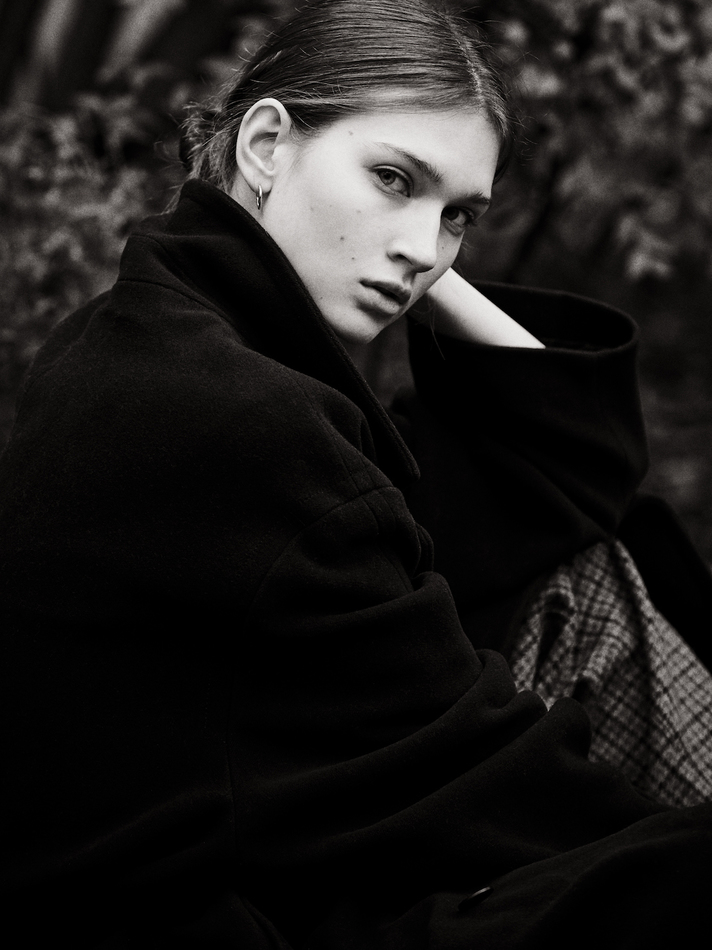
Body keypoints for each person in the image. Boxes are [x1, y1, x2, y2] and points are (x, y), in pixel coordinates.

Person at [1, 0, 711, 946]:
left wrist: (385, 234)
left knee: (584, 574)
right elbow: (488, 781)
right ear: (265, 144)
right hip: (237, 918)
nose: (424, 250)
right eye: (392, 178)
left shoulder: (134, 334)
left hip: (252, 864)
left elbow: (564, 462)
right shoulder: (234, 417)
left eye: (457, 217)